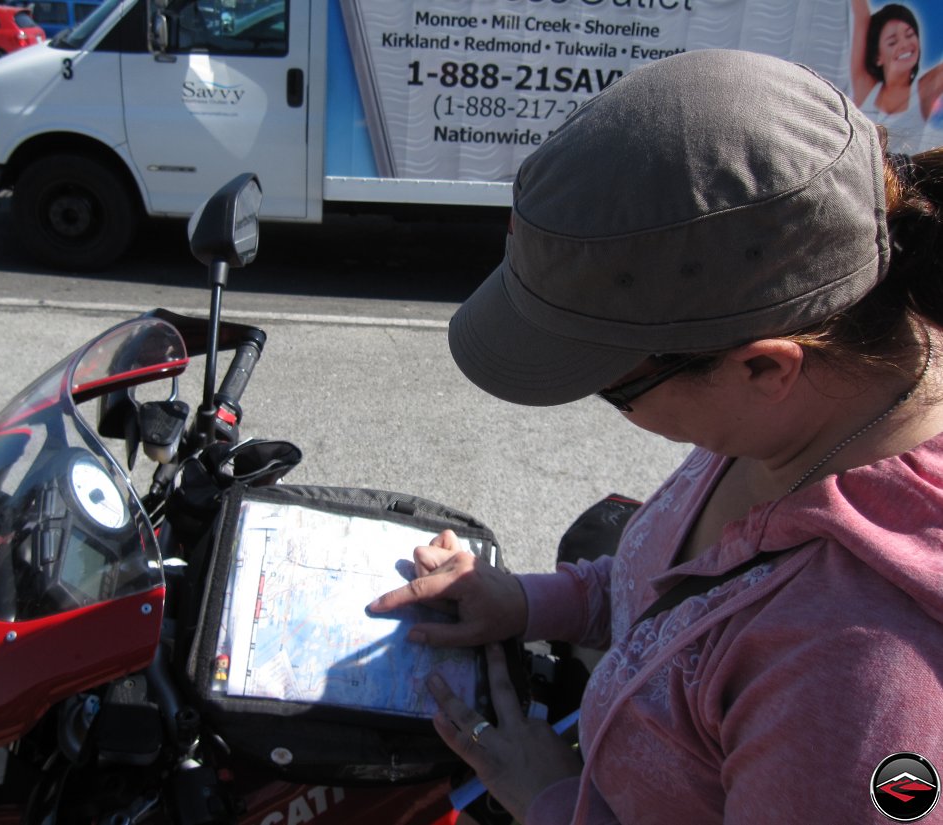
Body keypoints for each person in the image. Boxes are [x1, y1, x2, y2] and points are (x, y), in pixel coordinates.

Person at [368, 49, 943, 824]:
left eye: (613, 385)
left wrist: (551, 796)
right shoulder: (812, 404)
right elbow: (667, 587)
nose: (605, 404)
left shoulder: (859, 680)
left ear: (765, 366)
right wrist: (527, 603)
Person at [849, 0, 943, 151]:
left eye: (910, 35)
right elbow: (861, 18)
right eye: (892, 42)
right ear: (877, 57)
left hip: (901, 173)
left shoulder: (922, 92)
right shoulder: (865, 88)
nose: (904, 44)